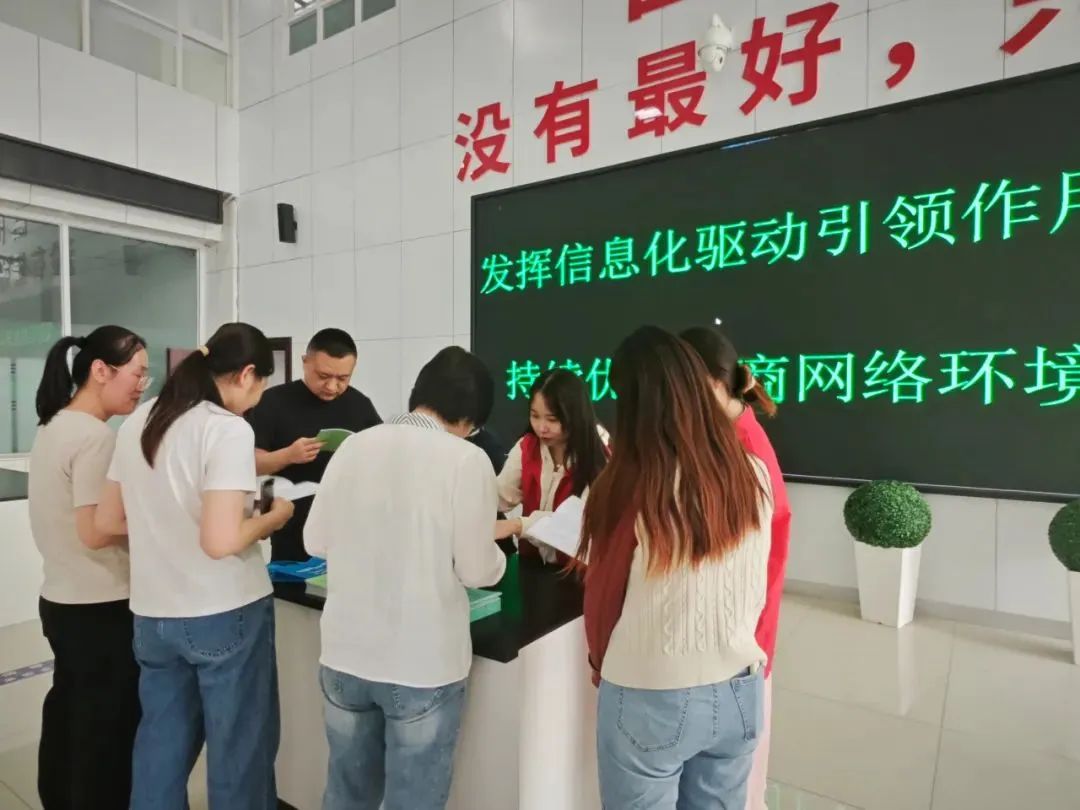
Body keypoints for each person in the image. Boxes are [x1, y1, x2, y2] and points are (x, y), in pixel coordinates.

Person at [95, 323, 295, 810]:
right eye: (261, 386)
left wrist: (165, 524)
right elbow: (220, 540)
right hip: (223, 611)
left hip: (153, 615)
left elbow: (107, 520)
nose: (257, 399)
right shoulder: (225, 428)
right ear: (247, 373)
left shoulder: (140, 421)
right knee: (239, 749)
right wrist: (273, 519)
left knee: (161, 746)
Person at [578, 326, 773, 810]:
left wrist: (602, 666)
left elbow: (603, 596)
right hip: (740, 687)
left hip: (650, 691)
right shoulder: (754, 471)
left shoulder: (629, 483)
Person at [304, 346, 507, 810]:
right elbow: (477, 568)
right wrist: (498, 556)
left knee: (345, 795)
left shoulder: (354, 445)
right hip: (421, 664)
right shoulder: (466, 459)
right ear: (470, 419)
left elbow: (315, 541)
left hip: (345, 656)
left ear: (419, 394)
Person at [29, 326, 150, 810]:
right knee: (106, 732)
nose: (142, 386)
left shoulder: (54, 424)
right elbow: (96, 531)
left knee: (70, 714)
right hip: (100, 605)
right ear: (101, 370)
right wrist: (158, 519)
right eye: (137, 374)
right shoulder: (95, 438)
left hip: (61, 598)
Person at [681, 325, 791, 810]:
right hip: (740, 628)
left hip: (745, 632)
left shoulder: (743, 448)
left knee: (734, 785)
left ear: (713, 384)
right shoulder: (726, 432)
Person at [247, 328, 381, 561]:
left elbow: (382, 459)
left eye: (343, 379)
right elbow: (251, 466)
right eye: (323, 376)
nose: (332, 386)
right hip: (291, 529)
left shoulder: (360, 405)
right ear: (305, 362)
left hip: (348, 531)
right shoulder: (272, 402)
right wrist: (289, 455)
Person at [494, 369, 608, 565]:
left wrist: (518, 525)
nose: (541, 427)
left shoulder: (598, 457)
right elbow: (501, 495)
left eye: (552, 419)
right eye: (535, 416)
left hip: (579, 571)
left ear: (575, 416)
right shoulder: (527, 447)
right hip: (532, 565)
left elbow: (577, 524)